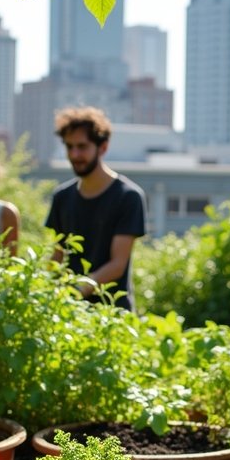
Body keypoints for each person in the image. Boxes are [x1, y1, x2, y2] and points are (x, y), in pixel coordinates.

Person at [46, 106, 146, 311]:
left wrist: (75, 291)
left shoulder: (128, 197)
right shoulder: (62, 197)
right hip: (68, 314)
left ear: (103, 147)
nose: (75, 154)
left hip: (112, 315)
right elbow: (58, 255)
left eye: (82, 146)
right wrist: (44, 287)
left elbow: (117, 265)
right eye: (69, 146)